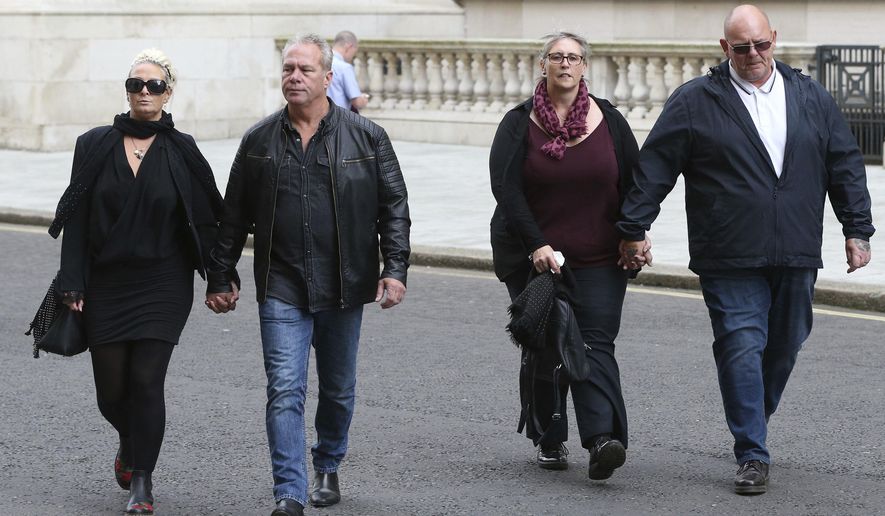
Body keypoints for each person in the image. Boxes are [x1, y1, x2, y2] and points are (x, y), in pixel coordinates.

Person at [617, 4, 874, 495]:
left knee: (786, 341)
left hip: (796, 246)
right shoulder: (696, 101)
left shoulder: (810, 95)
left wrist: (856, 228)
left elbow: (844, 162)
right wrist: (633, 227)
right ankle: (752, 451)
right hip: (728, 250)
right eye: (741, 47)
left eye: (761, 44)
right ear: (724, 48)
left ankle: (752, 412)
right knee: (740, 344)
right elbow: (656, 168)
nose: (753, 54)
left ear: (774, 39)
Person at [204, 33, 410, 516]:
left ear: (328, 77)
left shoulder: (366, 136)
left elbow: (394, 207)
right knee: (284, 388)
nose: (294, 77)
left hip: (346, 283)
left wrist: (394, 268)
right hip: (282, 285)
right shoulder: (258, 141)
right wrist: (220, 274)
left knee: (337, 389)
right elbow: (233, 216)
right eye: (288, 69)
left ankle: (329, 460)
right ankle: (289, 492)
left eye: (305, 70)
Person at [49, 49, 226, 514]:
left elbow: (207, 218)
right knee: (111, 391)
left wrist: (218, 278)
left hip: (163, 282)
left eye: (152, 85)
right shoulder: (94, 144)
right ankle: (131, 441)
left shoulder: (182, 149)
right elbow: (77, 217)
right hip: (107, 280)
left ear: (168, 92)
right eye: (135, 84)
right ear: (126, 91)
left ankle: (141, 482)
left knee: (147, 381)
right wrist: (72, 281)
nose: (143, 92)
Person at [489, 31, 650, 481]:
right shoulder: (518, 123)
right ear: (543, 65)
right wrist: (536, 244)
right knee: (547, 346)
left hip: (600, 256)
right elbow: (508, 191)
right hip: (533, 257)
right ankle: (549, 436)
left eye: (573, 58)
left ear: (584, 66)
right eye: (556, 57)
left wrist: (636, 235)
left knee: (595, 343)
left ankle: (603, 441)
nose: (565, 64)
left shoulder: (610, 122)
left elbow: (635, 185)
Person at [328, 30, 369, 111]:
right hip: (338, 118)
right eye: (354, 51)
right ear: (348, 46)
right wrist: (364, 99)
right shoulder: (344, 67)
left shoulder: (321, 61)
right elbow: (357, 102)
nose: (353, 56)